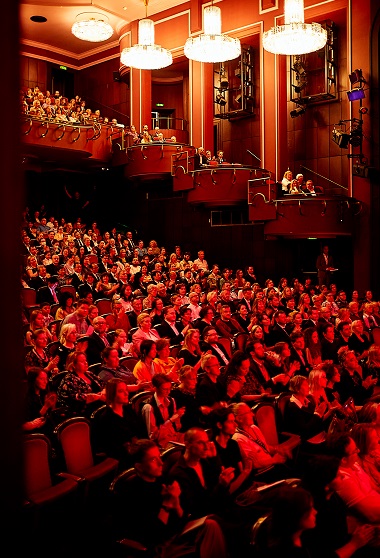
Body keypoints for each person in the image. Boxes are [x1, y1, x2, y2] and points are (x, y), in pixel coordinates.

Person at [111, 438, 229, 558]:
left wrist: (176, 504)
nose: (161, 463)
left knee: (211, 524)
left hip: (177, 533)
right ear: (139, 467)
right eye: (153, 459)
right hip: (158, 546)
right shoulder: (131, 492)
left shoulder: (164, 481)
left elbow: (183, 519)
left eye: (159, 457)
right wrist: (166, 506)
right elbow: (153, 537)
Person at [231, 402, 297, 481]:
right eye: (249, 412)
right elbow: (254, 464)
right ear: (239, 419)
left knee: (297, 469)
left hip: (271, 466)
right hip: (261, 474)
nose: (253, 415)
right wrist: (274, 460)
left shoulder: (254, 428)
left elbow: (265, 447)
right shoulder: (239, 439)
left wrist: (279, 449)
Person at [327, 432, 380, 524]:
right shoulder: (343, 479)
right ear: (343, 460)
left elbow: (374, 488)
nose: (358, 450)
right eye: (355, 450)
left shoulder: (353, 464)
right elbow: (370, 515)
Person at [94, 378, 147, 469]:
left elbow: (142, 430)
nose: (126, 393)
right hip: (123, 459)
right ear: (112, 394)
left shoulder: (128, 410)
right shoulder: (106, 417)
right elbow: (110, 447)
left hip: (139, 450)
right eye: (121, 391)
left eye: (126, 390)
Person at [141, 373, 185, 450]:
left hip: (174, 436)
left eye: (169, 388)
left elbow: (177, 427)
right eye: (164, 389)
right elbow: (153, 437)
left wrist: (178, 417)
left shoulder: (171, 400)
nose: (168, 391)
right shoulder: (149, 407)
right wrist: (171, 420)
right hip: (161, 443)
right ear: (155, 388)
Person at [57, 351, 105, 417]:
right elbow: (76, 399)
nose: (86, 363)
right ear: (74, 365)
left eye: (85, 360)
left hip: (99, 405)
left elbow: (103, 384)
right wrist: (97, 397)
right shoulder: (69, 379)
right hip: (82, 412)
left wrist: (102, 393)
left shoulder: (89, 374)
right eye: (82, 361)